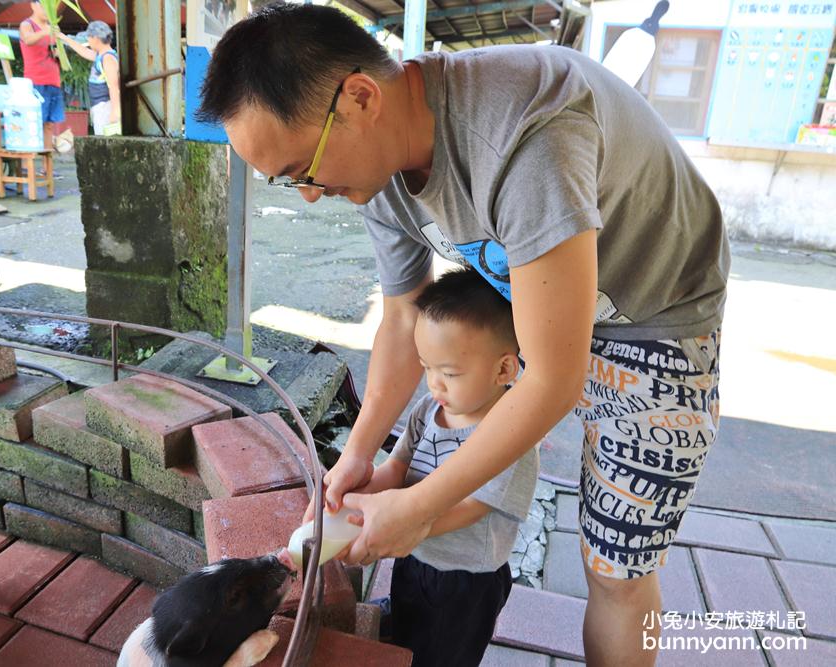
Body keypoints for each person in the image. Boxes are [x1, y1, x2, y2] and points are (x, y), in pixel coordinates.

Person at [197, 4, 728, 666]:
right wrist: (360, 453)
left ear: (360, 97)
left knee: (616, 567)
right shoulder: (377, 168)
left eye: (303, 169)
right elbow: (401, 317)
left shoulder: (524, 136)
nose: (307, 194)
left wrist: (421, 505)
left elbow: (553, 378)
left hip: (659, 315)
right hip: (542, 301)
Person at [354, 266, 536, 667]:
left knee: (445, 656)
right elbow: (397, 466)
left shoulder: (513, 434)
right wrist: (360, 498)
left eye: (449, 373)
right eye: (426, 366)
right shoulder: (430, 409)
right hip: (414, 555)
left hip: (466, 579)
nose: (434, 384)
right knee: (407, 636)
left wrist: (396, 525)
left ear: (504, 369)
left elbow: (472, 506)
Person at [57, 21, 121, 135]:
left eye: (89, 38)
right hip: (100, 107)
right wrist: (64, 38)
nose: (88, 41)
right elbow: (84, 51)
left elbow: (114, 86)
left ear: (96, 38)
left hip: (105, 107)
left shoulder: (108, 59)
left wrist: (115, 112)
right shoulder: (100, 55)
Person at [18, 0, 64, 151]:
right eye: (43, 6)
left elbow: (57, 54)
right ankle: (27, 165)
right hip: (35, 81)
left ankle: (48, 168)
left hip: (54, 81)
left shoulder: (52, 28)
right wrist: (46, 31)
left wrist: (59, 54)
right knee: (33, 123)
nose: (47, 10)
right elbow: (27, 39)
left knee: (49, 124)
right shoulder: (27, 24)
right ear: (33, 5)